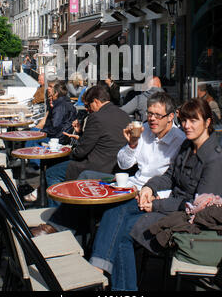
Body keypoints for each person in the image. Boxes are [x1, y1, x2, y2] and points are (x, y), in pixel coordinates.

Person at [89, 97, 222, 291]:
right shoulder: (187, 147)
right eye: (184, 121)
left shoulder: (215, 160)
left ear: (207, 122)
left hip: (186, 221)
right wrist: (149, 188)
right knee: (116, 209)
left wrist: (156, 204)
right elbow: (169, 176)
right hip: (169, 206)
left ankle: (120, 288)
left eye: (193, 121)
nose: (186, 126)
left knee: (123, 232)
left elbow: (197, 208)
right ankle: (100, 269)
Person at [32, 92, 185, 237]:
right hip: (130, 182)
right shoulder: (144, 131)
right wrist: (132, 145)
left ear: (170, 117)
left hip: (148, 193)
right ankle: (65, 225)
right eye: (150, 114)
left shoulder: (180, 141)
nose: (152, 119)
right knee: (86, 177)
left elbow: (175, 179)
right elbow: (124, 164)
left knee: (62, 174)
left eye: (158, 115)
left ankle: (58, 227)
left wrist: (156, 196)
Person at [33, 85, 130, 213]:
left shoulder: (96, 117)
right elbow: (104, 140)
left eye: (88, 106)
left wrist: (71, 148)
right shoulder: (124, 115)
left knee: (52, 173)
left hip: (96, 167)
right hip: (116, 167)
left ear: (96, 101)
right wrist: (80, 135)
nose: (88, 109)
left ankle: (58, 217)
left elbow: (81, 152)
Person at [25, 80, 77, 171]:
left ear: (56, 92)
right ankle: (34, 162)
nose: (48, 90)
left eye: (51, 88)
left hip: (58, 137)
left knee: (32, 136)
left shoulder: (60, 106)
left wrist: (41, 132)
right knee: (32, 133)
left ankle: (36, 165)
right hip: (60, 135)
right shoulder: (62, 103)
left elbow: (55, 127)